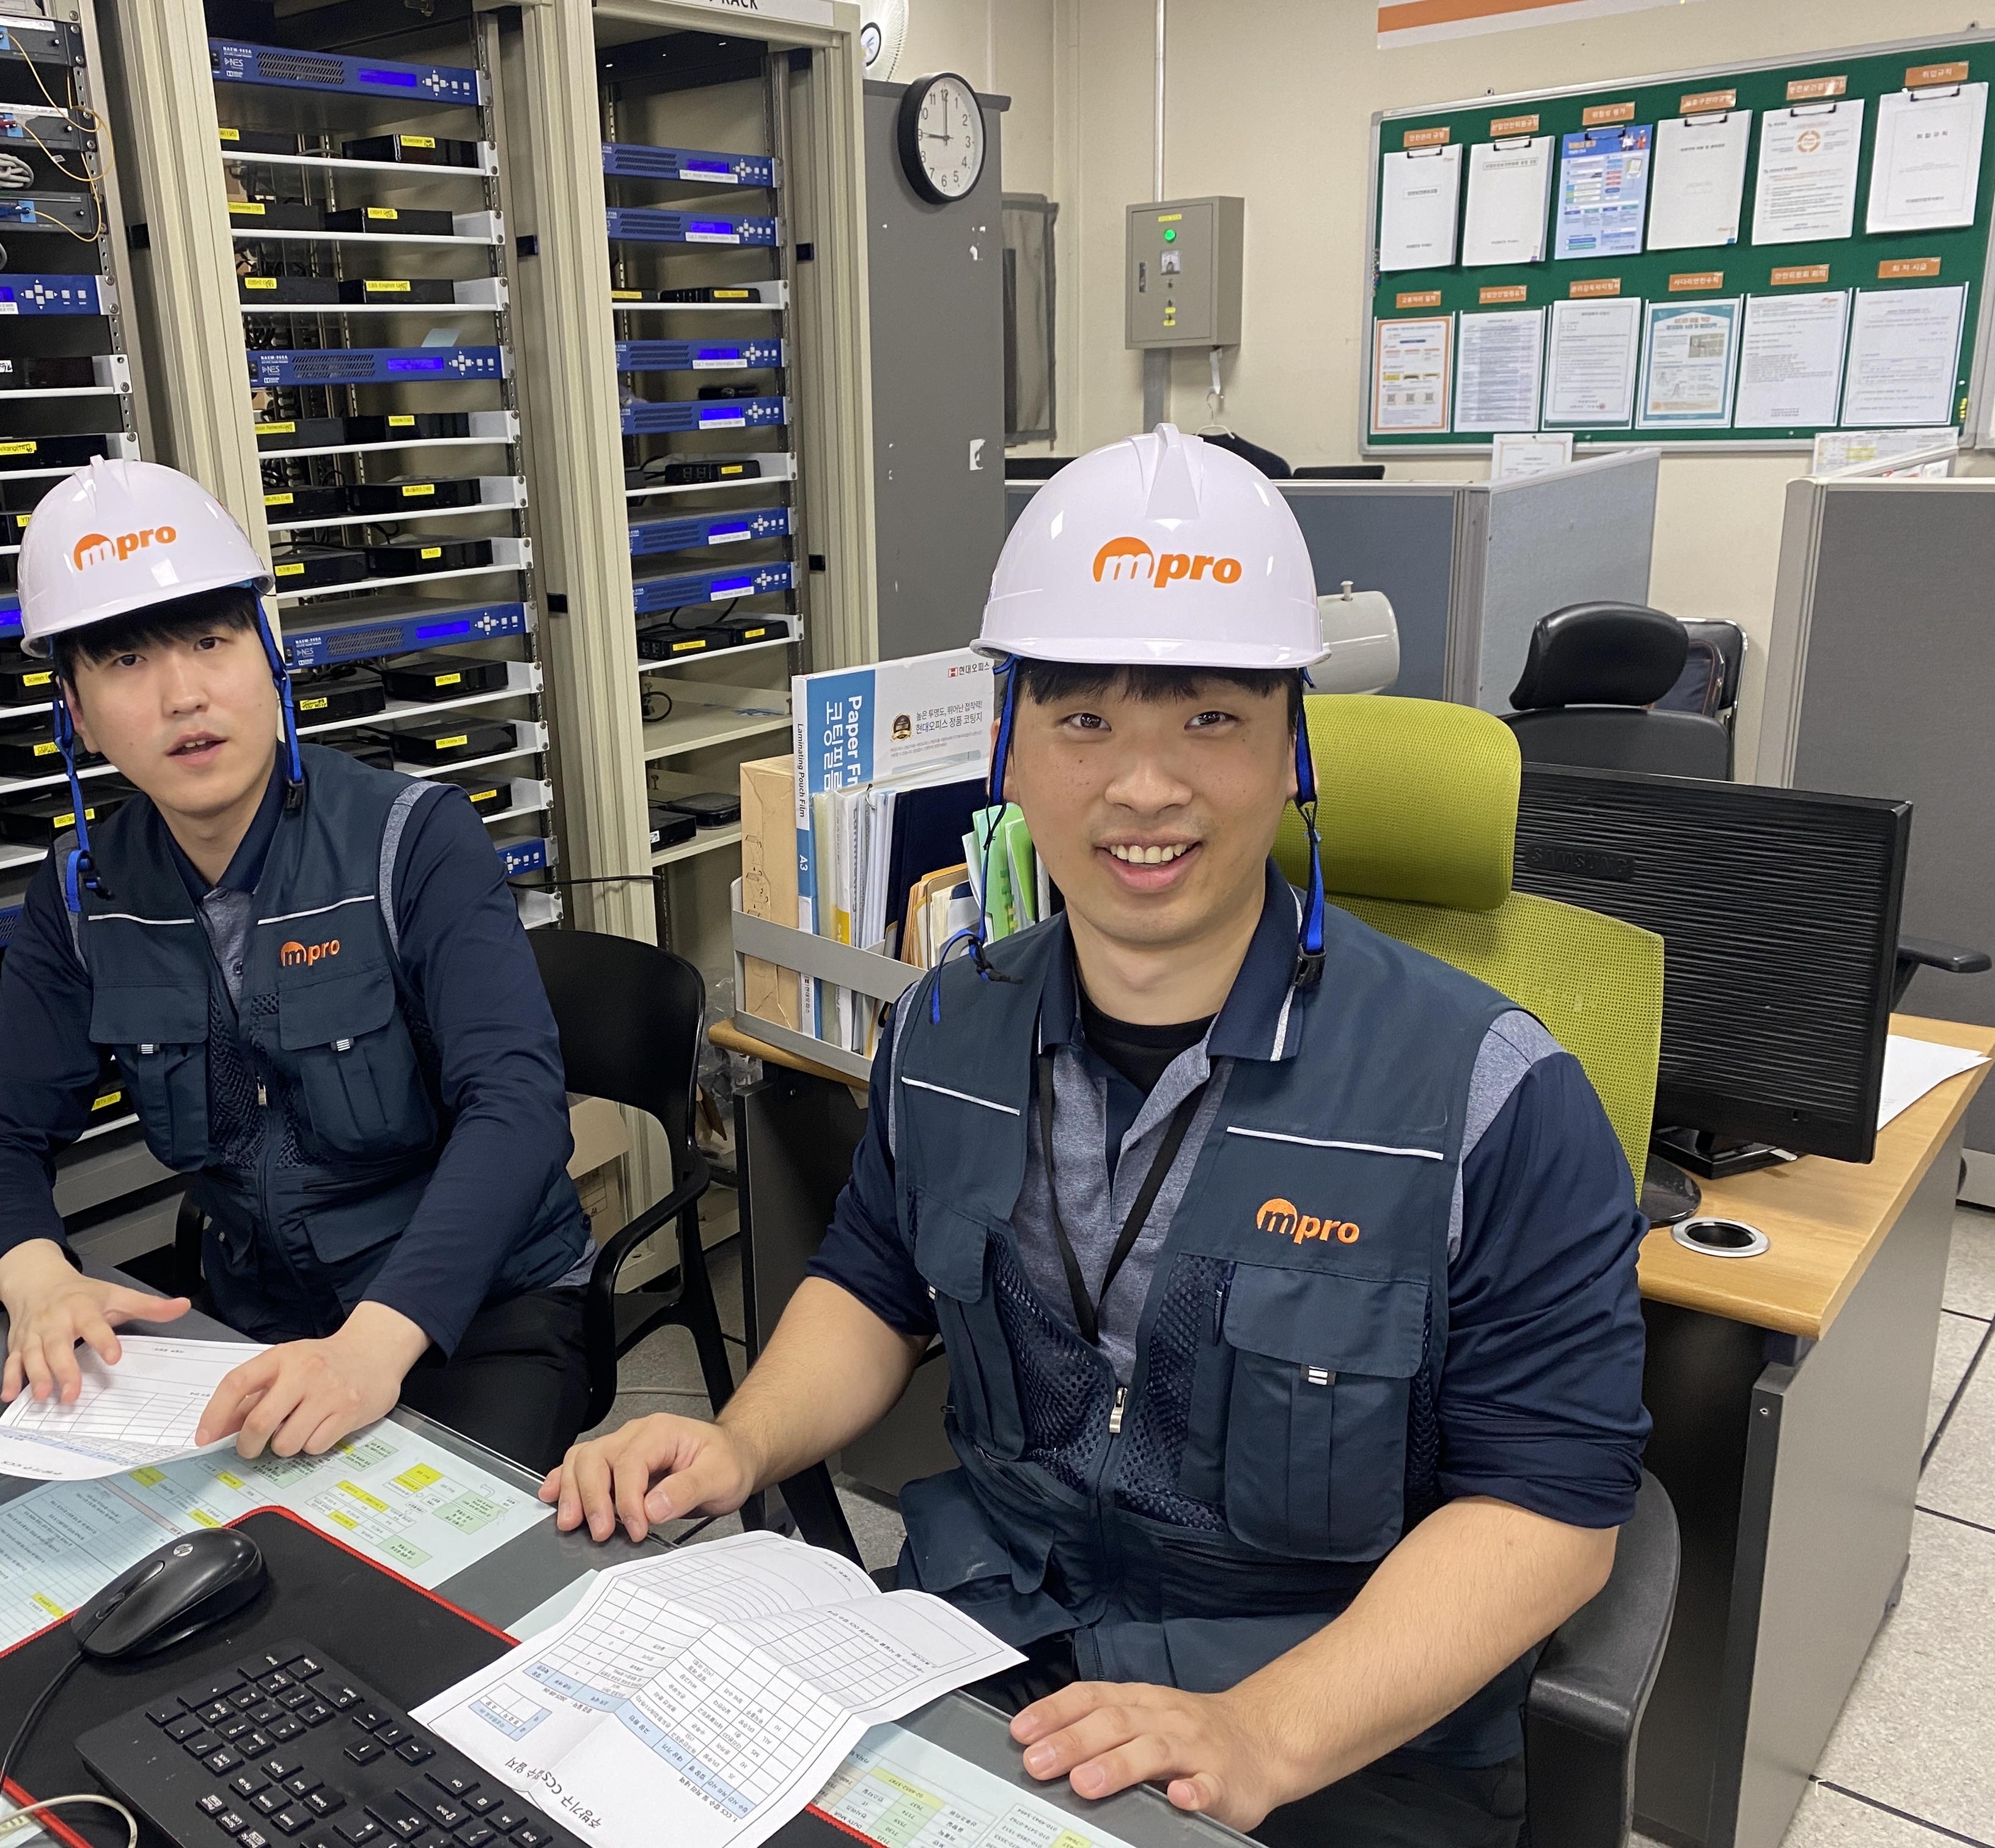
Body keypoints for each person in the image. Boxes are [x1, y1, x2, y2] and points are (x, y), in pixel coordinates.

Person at [544, 427, 1650, 1844]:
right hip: (989, 1634)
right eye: (1083, 723)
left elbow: (1550, 1509)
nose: (1142, 787)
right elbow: (873, 1286)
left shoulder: (1492, 1097)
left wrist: (1265, 1730)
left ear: (1292, 750)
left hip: (1332, 1720)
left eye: (1208, 719)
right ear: (1009, 748)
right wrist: (738, 1443)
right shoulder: (946, 1027)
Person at [0, 459, 592, 1472]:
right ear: (75, 710)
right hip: (252, 1321)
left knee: (411, 1554)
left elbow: (516, 1107)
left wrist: (372, 1348)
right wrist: (40, 1281)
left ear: (270, 656)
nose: (184, 695)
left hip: (480, 1314)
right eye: (125, 661)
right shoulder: (81, 895)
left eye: (211, 641)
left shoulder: (412, 841)